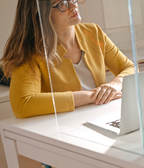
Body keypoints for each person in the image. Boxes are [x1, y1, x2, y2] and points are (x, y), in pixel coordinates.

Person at [1, 0, 135, 118]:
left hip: (102, 116)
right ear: (40, 14)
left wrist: (114, 85)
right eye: (62, 4)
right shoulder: (30, 51)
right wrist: (91, 96)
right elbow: (23, 104)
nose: (73, 5)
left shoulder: (93, 32)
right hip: (63, 129)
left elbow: (130, 68)